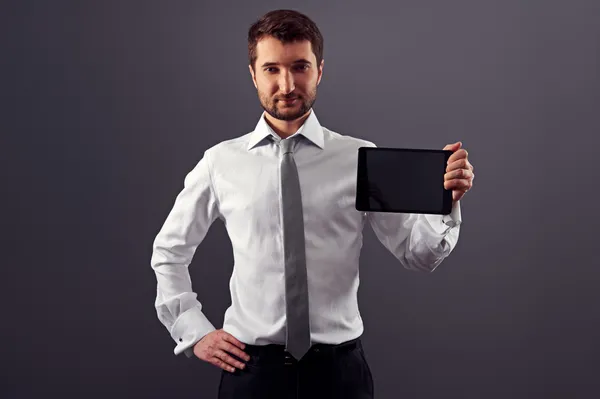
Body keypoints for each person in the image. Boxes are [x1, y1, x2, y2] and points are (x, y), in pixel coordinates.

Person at [150, 9, 475, 399]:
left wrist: (446, 201)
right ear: (253, 74)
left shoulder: (360, 157)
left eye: (299, 67)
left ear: (319, 71)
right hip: (251, 374)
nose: (286, 84)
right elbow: (169, 252)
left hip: (339, 374)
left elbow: (418, 255)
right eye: (271, 69)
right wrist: (194, 331)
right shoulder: (220, 162)